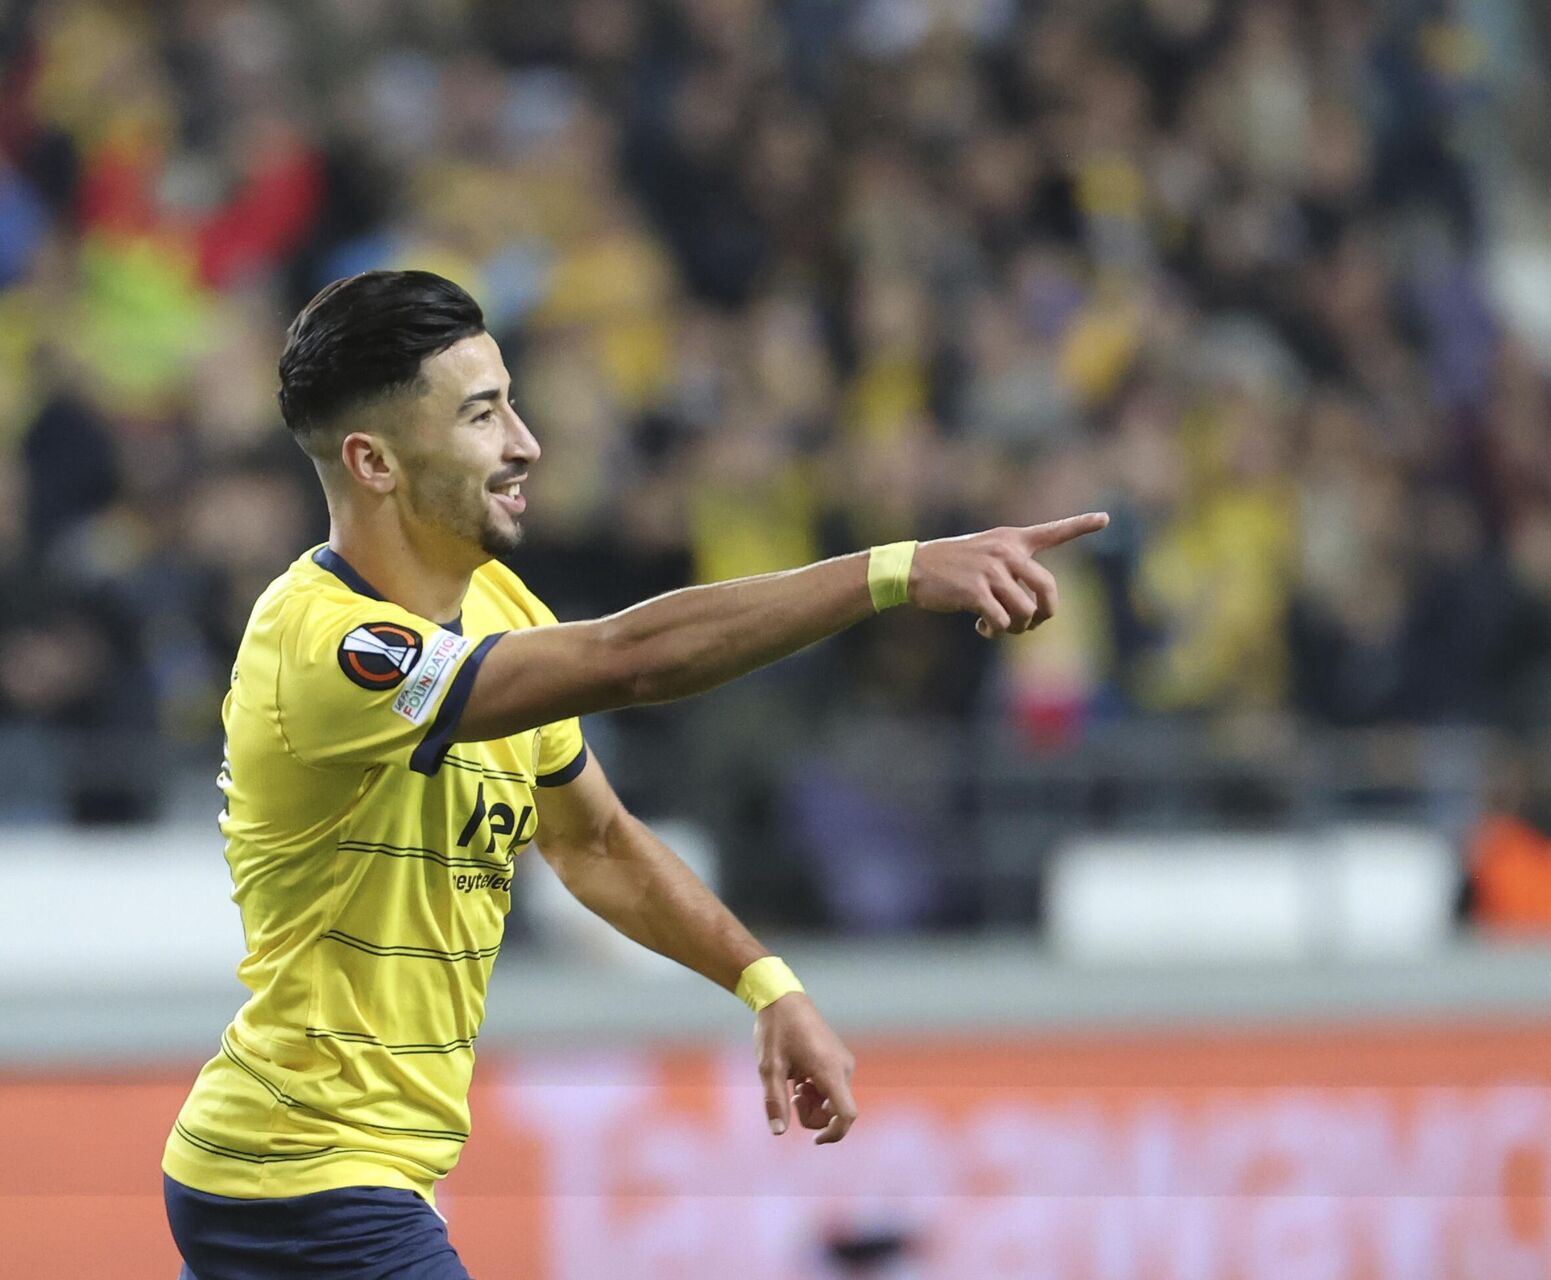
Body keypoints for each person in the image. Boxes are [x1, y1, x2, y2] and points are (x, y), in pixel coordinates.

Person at [160, 270, 1108, 1279]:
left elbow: (593, 839)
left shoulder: (499, 607)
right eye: (483, 415)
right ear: (375, 461)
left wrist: (762, 980)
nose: (525, 441)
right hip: (307, 1175)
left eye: (513, 403)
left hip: (308, 1167)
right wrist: (894, 570)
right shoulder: (328, 646)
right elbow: (630, 659)